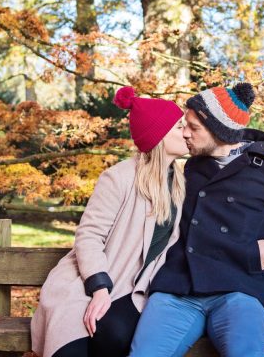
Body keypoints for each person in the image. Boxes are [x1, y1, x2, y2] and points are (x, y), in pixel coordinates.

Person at [129, 82, 264, 357]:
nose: (184, 134)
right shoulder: (189, 168)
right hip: (179, 288)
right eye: (184, 124)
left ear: (219, 131)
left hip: (239, 289)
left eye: (193, 127)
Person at [31, 86, 189, 357]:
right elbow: (89, 236)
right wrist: (100, 289)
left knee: (115, 335)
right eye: (178, 126)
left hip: (137, 285)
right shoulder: (119, 177)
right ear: (160, 136)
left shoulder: (182, 182)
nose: (186, 132)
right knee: (73, 340)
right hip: (91, 279)